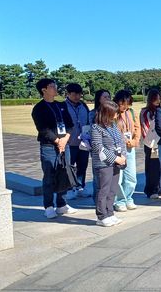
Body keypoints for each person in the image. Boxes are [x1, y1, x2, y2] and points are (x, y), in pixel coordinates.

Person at [31, 78, 77, 219]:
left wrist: (65, 139)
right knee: (49, 176)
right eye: (52, 86)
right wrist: (58, 141)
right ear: (44, 90)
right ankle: (49, 206)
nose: (55, 88)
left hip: (65, 145)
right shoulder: (39, 108)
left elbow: (70, 124)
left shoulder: (60, 105)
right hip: (49, 147)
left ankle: (62, 204)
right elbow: (43, 129)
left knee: (64, 173)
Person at [90, 100, 127, 227]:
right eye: (114, 113)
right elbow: (97, 147)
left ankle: (110, 213)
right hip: (103, 164)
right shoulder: (96, 127)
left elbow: (121, 142)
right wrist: (115, 158)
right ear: (107, 113)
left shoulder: (113, 126)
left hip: (116, 162)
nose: (117, 115)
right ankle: (101, 216)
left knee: (113, 189)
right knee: (103, 190)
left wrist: (123, 155)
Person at [113, 90, 140, 212]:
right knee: (118, 178)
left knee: (131, 176)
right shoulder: (112, 113)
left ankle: (128, 197)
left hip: (130, 148)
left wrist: (135, 140)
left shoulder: (131, 112)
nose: (125, 107)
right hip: (118, 150)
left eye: (128, 104)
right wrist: (122, 140)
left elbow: (137, 127)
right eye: (123, 104)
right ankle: (119, 200)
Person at [64, 83, 91, 200]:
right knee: (68, 166)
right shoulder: (63, 106)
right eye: (74, 94)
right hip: (70, 142)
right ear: (68, 94)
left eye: (79, 94)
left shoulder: (83, 106)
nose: (77, 96)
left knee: (82, 166)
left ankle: (80, 187)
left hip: (83, 142)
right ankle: (69, 189)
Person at [140, 89, 161, 199]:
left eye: (159, 99)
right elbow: (145, 128)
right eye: (155, 99)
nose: (158, 101)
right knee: (152, 167)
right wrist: (151, 141)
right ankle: (151, 189)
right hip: (151, 143)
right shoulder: (146, 111)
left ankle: (159, 187)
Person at [89, 89, 111, 200]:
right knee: (98, 177)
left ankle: (108, 201)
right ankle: (98, 200)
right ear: (99, 99)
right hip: (99, 149)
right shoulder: (93, 114)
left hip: (112, 149)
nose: (108, 99)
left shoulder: (112, 112)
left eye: (109, 97)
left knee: (110, 177)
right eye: (105, 97)